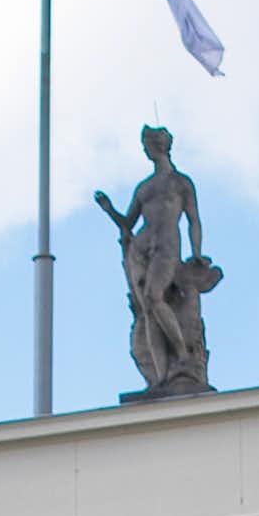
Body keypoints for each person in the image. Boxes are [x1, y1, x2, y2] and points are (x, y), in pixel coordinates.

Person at [96, 125, 218, 394]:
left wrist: (197, 252)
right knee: (148, 311)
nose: (146, 149)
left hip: (167, 246)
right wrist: (109, 209)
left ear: (160, 146)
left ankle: (183, 354)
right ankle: (160, 378)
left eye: (148, 144)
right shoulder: (144, 187)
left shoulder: (180, 182)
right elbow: (128, 222)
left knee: (154, 297)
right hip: (142, 249)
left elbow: (194, 220)